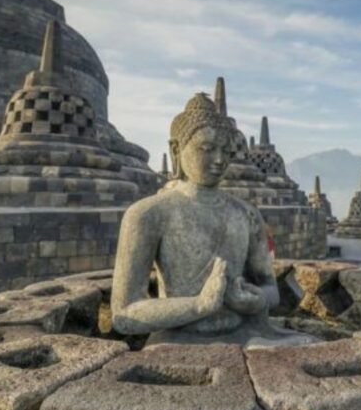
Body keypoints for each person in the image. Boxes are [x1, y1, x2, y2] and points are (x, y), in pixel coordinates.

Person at [110, 92, 313, 348]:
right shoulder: (148, 214)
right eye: (206, 149)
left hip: (247, 334)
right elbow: (124, 315)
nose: (219, 160)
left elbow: (270, 290)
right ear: (176, 150)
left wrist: (255, 299)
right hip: (180, 341)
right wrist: (199, 306)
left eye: (226, 151)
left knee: (312, 346)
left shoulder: (247, 214)